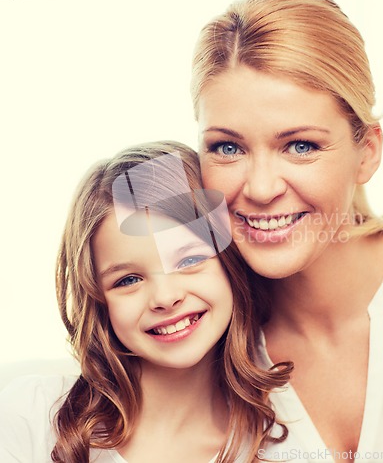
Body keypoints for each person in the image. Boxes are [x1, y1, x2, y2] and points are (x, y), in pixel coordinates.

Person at [191, 0, 383, 462]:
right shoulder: (190, 339)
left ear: (368, 151)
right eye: (228, 148)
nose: (259, 188)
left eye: (300, 146)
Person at [0, 141, 294, 463]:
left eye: (189, 259)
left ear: (231, 264)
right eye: (128, 280)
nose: (166, 298)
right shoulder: (31, 417)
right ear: (98, 301)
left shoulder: (280, 445)